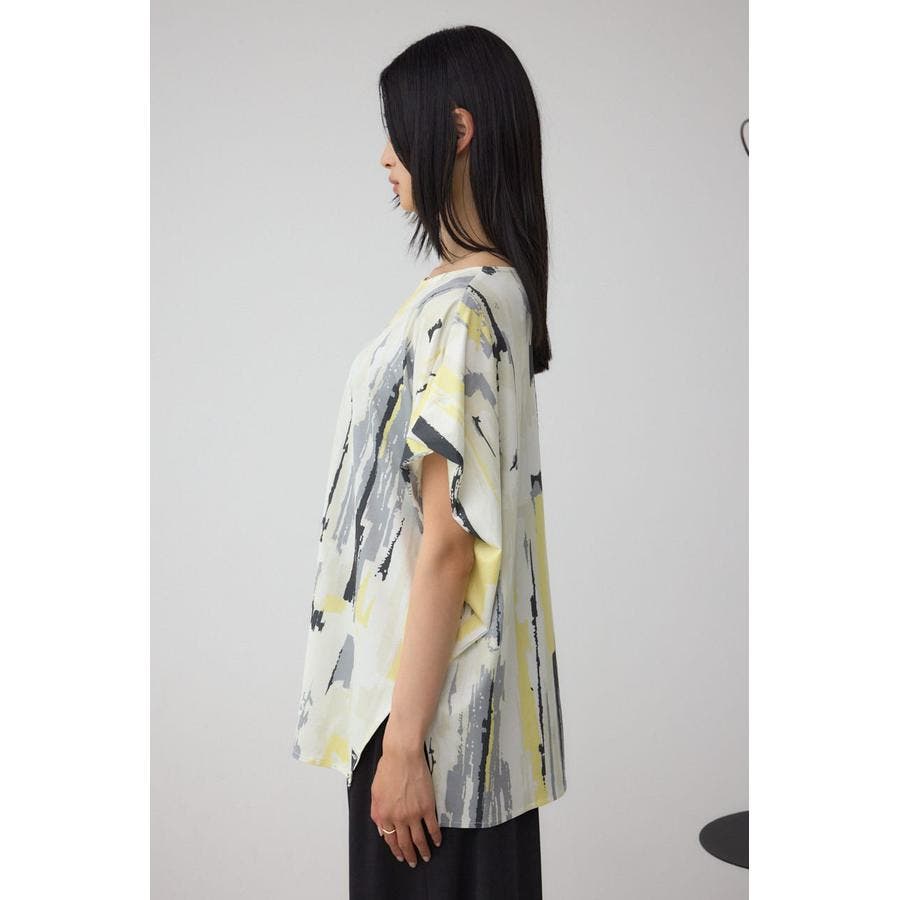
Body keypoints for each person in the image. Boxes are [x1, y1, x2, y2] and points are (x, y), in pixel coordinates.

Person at [290, 24, 567, 899]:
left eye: (397, 131)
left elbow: (450, 542)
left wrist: (403, 744)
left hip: (426, 729)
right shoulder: (496, 294)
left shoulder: (463, 308)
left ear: (456, 131)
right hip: (466, 726)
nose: (384, 156)